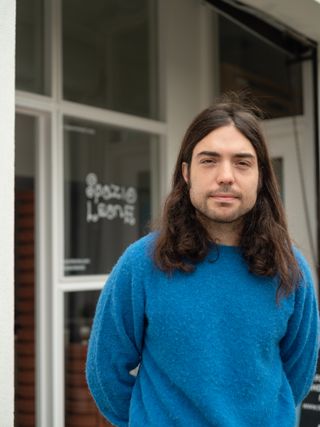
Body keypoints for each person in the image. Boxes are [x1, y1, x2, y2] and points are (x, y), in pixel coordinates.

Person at [86, 95, 319, 427]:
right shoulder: (142, 264)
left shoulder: (291, 269)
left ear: (261, 176)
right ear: (186, 173)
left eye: (242, 162)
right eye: (209, 160)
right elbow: (105, 372)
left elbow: (297, 374)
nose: (225, 176)